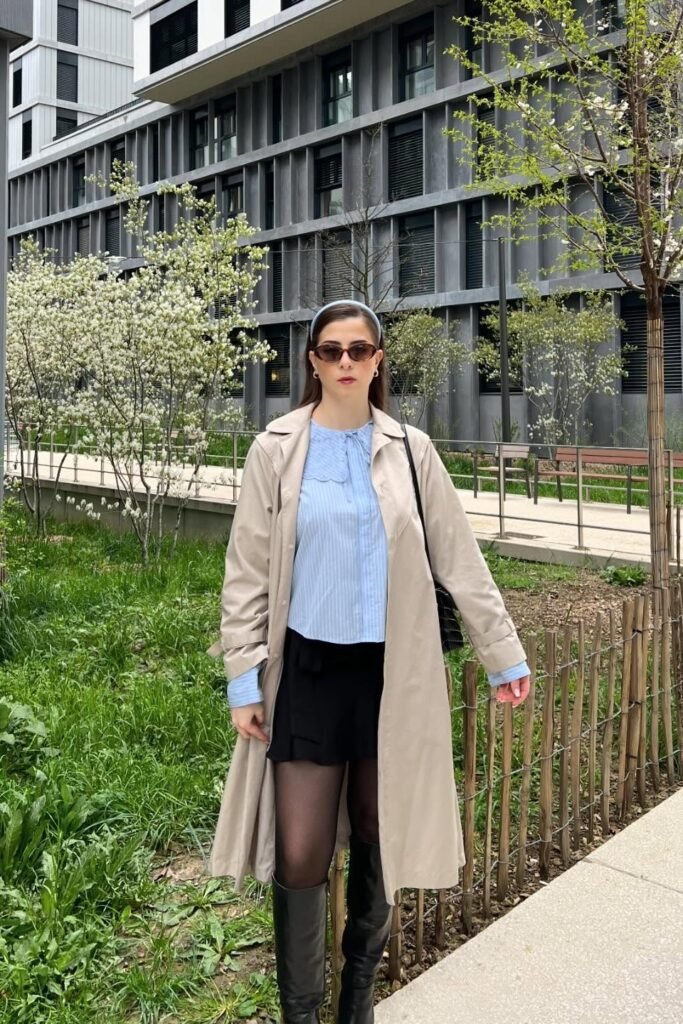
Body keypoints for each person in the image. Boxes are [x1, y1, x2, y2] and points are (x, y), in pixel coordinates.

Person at [207, 300, 530, 1024]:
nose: (345, 362)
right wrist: (241, 678)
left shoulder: (411, 451)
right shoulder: (275, 449)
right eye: (330, 350)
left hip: (393, 680)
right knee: (300, 855)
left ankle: (357, 1000)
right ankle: (301, 1012)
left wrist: (502, 654)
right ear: (312, 363)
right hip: (309, 678)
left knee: (380, 839)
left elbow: (459, 561)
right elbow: (246, 574)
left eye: (359, 350)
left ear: (379, 361)